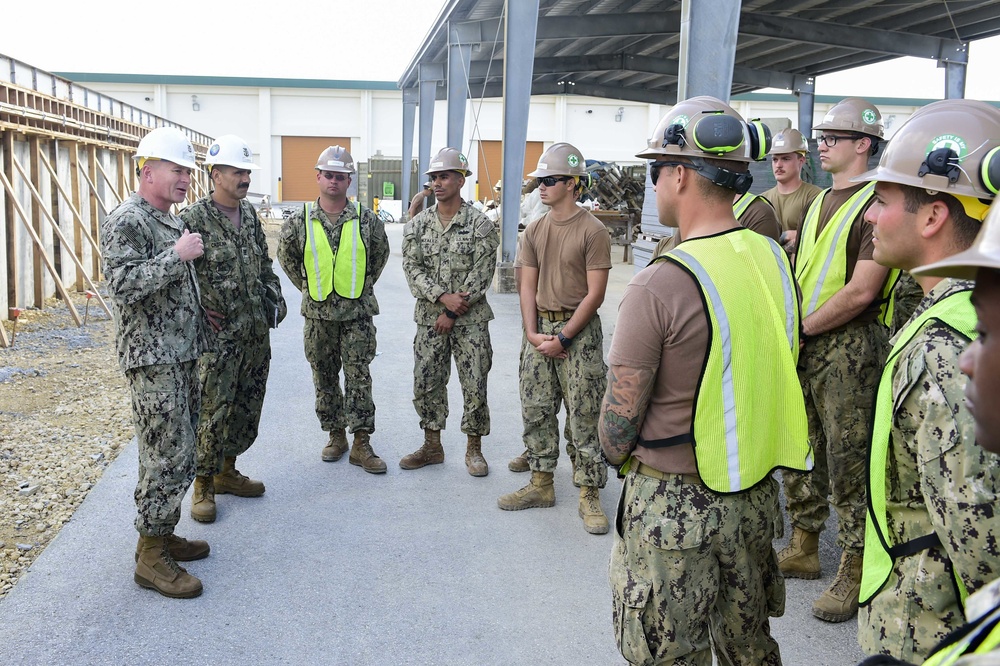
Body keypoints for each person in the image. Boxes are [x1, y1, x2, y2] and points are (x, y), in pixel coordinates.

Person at [601, 95, 811, 665]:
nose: (653, 183)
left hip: (672, 509)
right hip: (752, 495)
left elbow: (616, 427)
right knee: (749, 649)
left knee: (670, 655)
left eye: (655, 170)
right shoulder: (771, 257)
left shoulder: (657, 285)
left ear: (679, 176)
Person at [853, 99, 1000, 662]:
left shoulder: (944, 348)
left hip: (927, 631)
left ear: (934, 216)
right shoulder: (958, 318)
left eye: (882, 201)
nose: (869, 215)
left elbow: (982, 544)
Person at [778, 97, 899, 624]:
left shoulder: (877, 203)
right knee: (804, 447)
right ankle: (805, 542)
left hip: (849, 348)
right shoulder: (820, 200)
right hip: (809, 343)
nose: (821, 143)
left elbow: (862, 291)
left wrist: (801, 329)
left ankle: (855, 564)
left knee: (850, 460)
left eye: (834, 136)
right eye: (821, 135)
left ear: (863, 144)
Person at [100, 127, 209, 599]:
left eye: (188, 171)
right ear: (149, 172)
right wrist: (176, 255)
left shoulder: (168, 219)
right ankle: (149, 556)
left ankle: (161, 534)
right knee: (167, 454)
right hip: (153, 360)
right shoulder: (128, 220)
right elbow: (122, 286)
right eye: (177, 170)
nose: (186, 178)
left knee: (182, 450)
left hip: (181, 354)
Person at [497, 142, 612, 535]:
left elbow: (595, 294)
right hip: (539, 329)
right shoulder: (535, 229)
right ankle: (541, 482)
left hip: (577, 332)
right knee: (537, 408)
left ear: (572, 184)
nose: (541, 188)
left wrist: (563, 337)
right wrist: (532, 333)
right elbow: (525, 285)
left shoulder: (593, 231)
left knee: (584, 413)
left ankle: (588, 490)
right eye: (539, 181)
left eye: (549, 181)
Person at [180, 134, 286, 523]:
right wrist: (197, 311)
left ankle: (227, 470)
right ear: (215, 174)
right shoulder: (192, 220)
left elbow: (263, 267)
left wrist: (275, 296)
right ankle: (203, 483)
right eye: (237, 172)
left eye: (246, 172)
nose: (244, 178)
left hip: (254, 332)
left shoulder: (250, 216)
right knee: (212, 408)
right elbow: (179, 277)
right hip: (217, 340)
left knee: (246, 405)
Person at [277, 145, 390, 474]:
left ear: (349, 180)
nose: (334, 181)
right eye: (329, 175)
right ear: (318, 177)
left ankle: (361, 443)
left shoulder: (367, 220)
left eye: (341, 176)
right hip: (317, 316)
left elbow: (378, 258)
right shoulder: (300, 221)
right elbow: (287, 258)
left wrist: (358, 286)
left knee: (358, 378)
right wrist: (310, 287)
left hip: (356, 315)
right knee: (324, 377)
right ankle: (335, 434)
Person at [400, 148, 499, 476]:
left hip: (470, 321)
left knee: (474, 382)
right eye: (433, 178)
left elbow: (482, 272)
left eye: (444, 176)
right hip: (431, 318)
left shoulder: (481, 226)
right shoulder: (418, 226)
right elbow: (412, 268)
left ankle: (474, 449)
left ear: (460, 179)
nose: (437, 183)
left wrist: (455, 310)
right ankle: (432, 445)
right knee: (427, 380)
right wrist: (442, 297)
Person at [650, 187, 781, 256]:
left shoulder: (757, 213)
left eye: (657, 174)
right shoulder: (663, 247)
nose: (655, 188)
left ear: (681, 175)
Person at [760, 128, 823, 253]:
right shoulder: (762, 200)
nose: (778, 165)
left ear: (801, 161)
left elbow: (819, 239)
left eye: (785, 159)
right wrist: (786, 236)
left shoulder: (816, 196)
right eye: (775, 159)